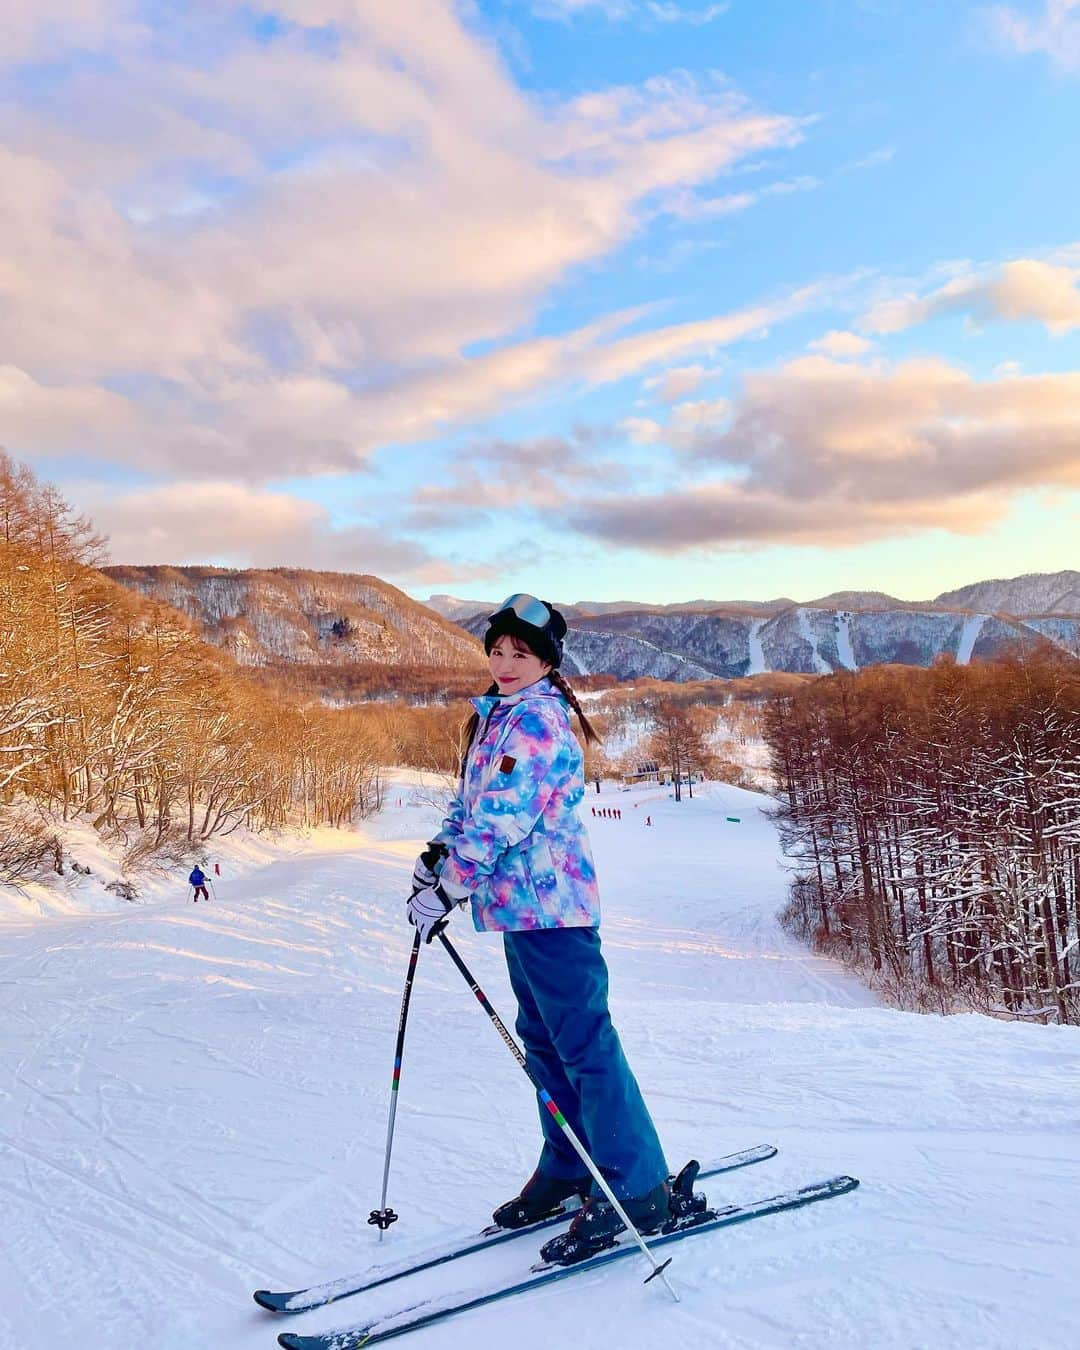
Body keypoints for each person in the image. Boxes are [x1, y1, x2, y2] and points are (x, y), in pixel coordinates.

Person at [407, 594, 671, 1262]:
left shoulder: (536, 724)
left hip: (554, 910)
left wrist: (449, 887)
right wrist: (438, 855)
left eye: (518, 653)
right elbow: (474, 810)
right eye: (496, 650)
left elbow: (504, 822)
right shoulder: (501, 719)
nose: (502, 662)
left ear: (546, 661)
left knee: (583, 1044)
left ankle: (637, 1185)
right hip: (522, 911)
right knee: (547, 1045)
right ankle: (569, 1166)